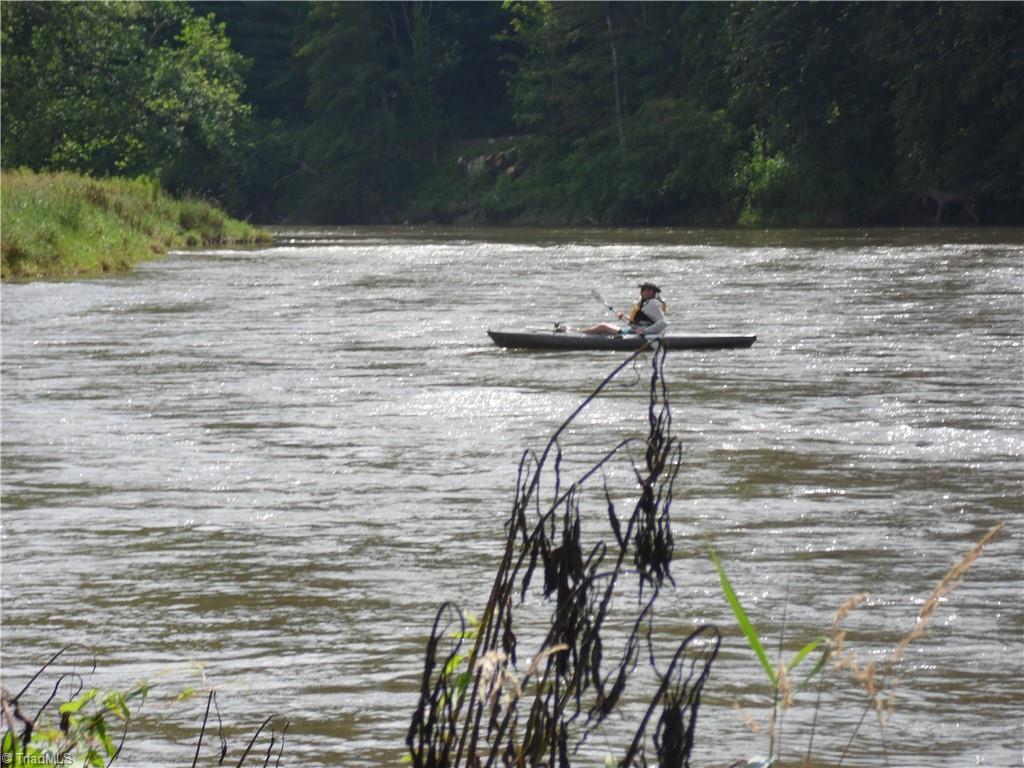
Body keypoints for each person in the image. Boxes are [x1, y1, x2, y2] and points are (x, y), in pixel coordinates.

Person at [580, 282, 668, 336]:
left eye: (650, 291)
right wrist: (625, 316)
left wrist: (644, 331)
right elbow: (643, 320)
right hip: (635, 331)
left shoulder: (652, 304)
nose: (646, 292)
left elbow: (663, 323)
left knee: (603, 327)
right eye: (645, 290)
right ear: (641, 292)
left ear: (654, 293)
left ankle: (577, 333)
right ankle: (580, 332)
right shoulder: (646, 303)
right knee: (603, 328)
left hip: (640, 334)